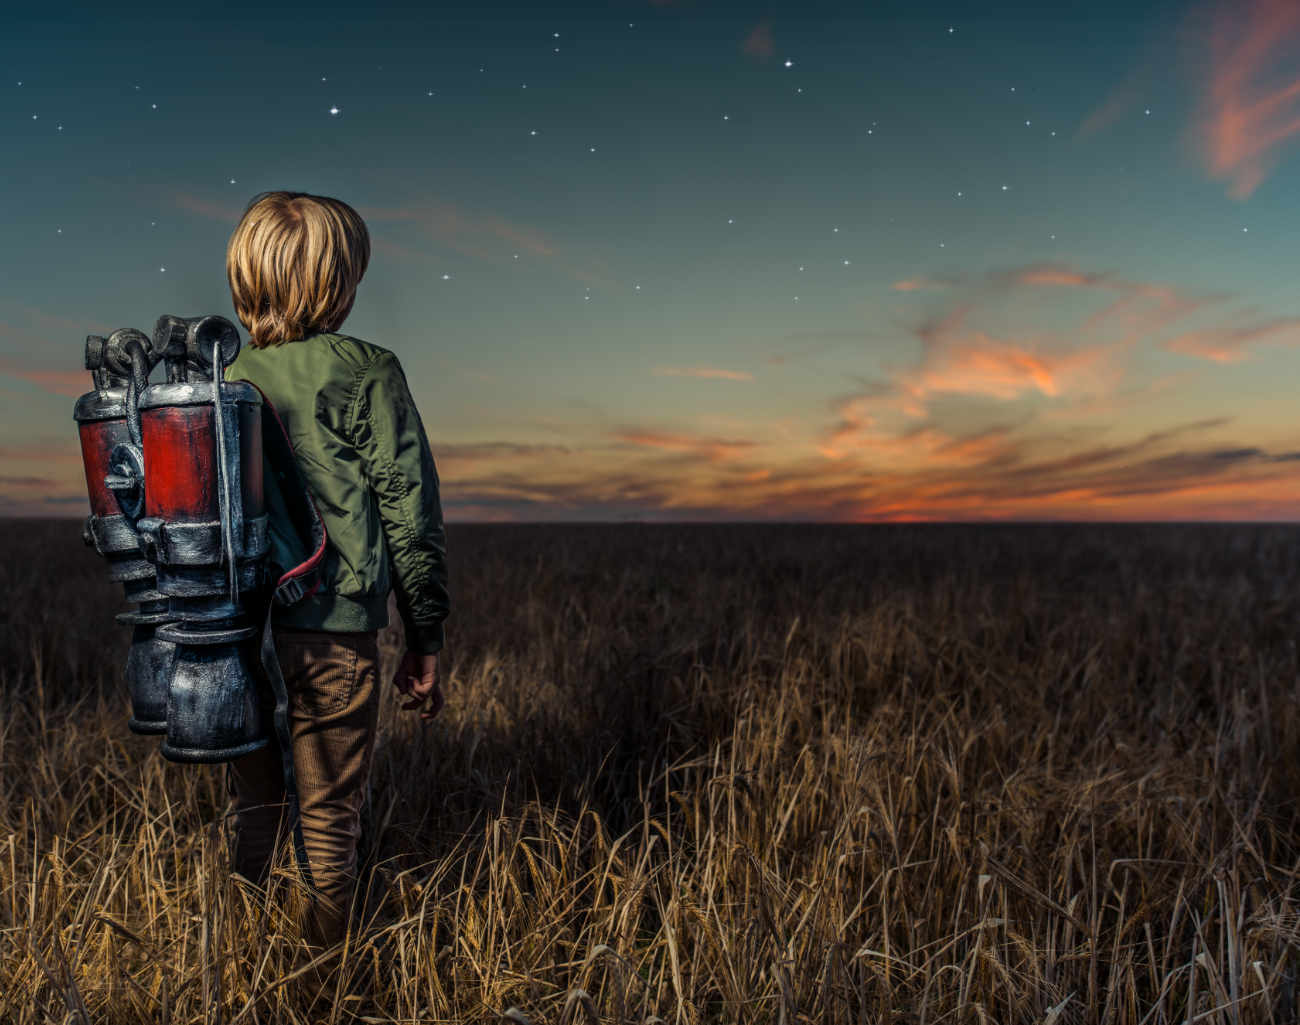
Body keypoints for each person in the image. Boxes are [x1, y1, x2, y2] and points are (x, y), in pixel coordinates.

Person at [221, 190, 451, 949]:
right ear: (336, 285)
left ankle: (236, 957)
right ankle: (320, 974)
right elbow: (410, 516)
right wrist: (426, 633)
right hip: (333, 627)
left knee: (252, 807)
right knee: (328, 816)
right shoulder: (368, 372)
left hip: (228, 635)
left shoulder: (224, 380)